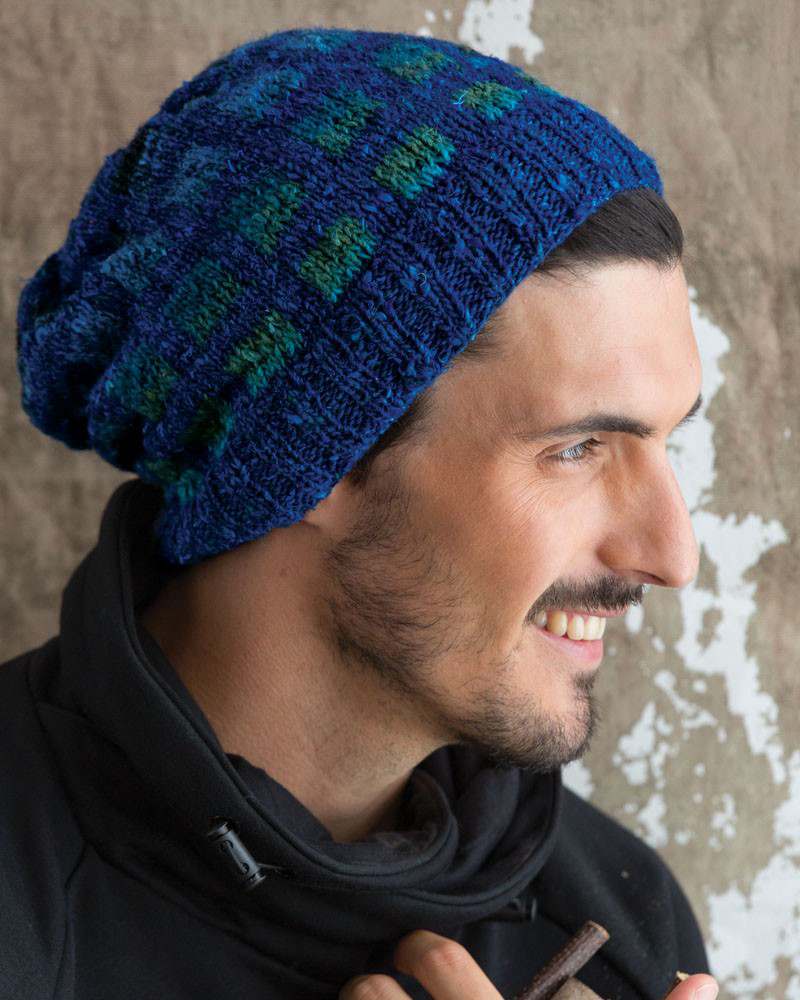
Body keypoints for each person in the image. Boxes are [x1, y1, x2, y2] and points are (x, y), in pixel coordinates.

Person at [3, 25, 719, 1000]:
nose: (672, 554)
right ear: (315, 451)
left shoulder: (625, 928)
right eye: (578, 448)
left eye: (666, 441)